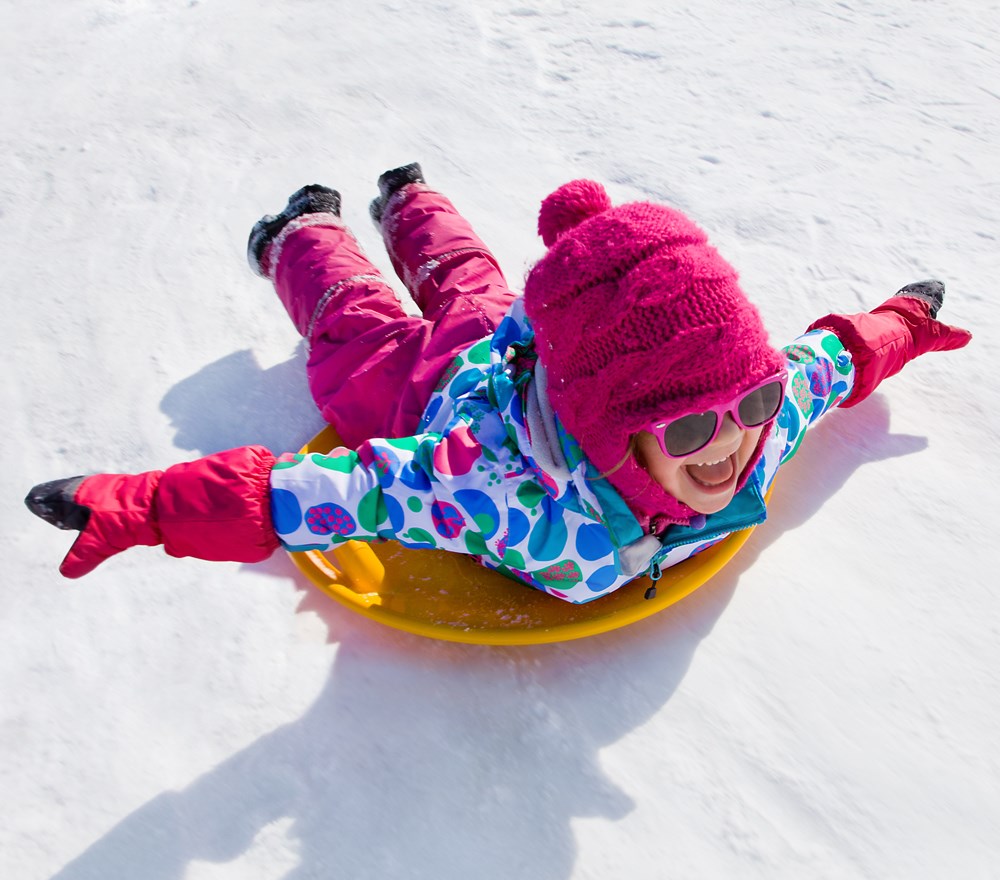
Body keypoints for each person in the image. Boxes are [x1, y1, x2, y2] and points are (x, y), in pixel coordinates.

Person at [25, 166, 972, 603]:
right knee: (355, 326)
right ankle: (299, 233)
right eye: (688, 431)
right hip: (423, 391)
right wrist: (152, 503)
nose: (731, 446)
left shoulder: (758, 418)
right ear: (613, 432)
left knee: (474, 284)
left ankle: (412, 201)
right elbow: (325, 493)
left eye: (752, 405)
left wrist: (905, 322)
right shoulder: (495, 492)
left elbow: (825, 363)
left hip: (517, 337)